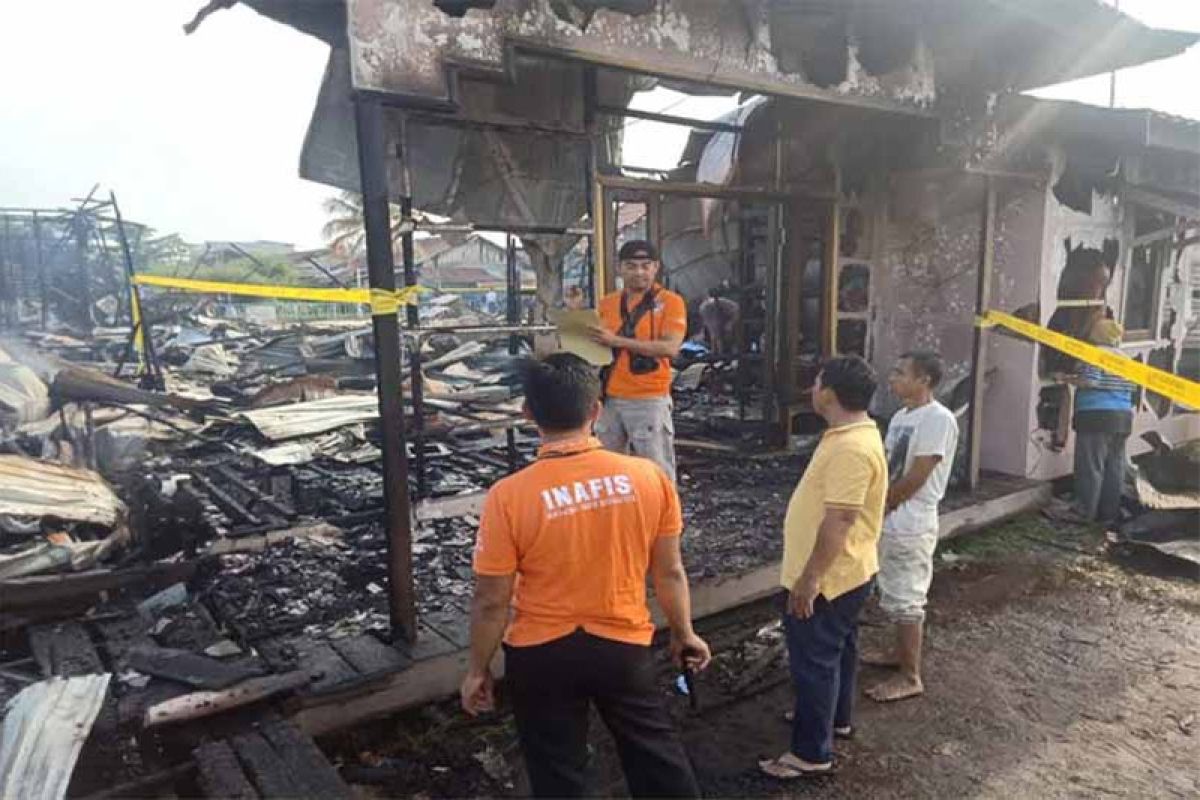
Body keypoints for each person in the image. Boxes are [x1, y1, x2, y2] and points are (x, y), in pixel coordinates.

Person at [461, 353, 711, 799]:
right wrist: (684, 632)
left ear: (528, 415)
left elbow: (491, 601)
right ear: (596, 410)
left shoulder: (508, 497)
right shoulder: (649, 478)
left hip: (540, 655)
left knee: (559, 772)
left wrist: (478, 669)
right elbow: (669, 570)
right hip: (623, 646)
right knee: (655, 756)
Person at [760, 356, 887, 780]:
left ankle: (811, 754)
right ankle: (836, 720)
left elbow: (841, 519)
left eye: (816, 382)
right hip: (850, 571)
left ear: (829, 393)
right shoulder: (851, 434)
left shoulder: (851, 447)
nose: (812, 388)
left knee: (813, 660)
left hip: (830, 579)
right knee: (838, 652)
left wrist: (810, 579)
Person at [864, 352, 958, 703]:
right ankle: (898, 655)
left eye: (902, 373)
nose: (894, 379)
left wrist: (885, 503)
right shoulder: (904, 416)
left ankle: (910, 675)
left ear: (925, 381)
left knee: (907, 596)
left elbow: (918, 474)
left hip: (911, 518)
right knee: (893, 588)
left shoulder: (938, 419)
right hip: (892, 514)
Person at [589, 240, 687, 481]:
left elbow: (670, 348)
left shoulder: (671, 302)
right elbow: (597, 344)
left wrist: (618, 342)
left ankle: (663, 517)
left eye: (646, 265)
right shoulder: (608, 303)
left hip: (649, 399)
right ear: (620, 268)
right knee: (607, 471)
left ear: (656, 268)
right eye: (631, 266)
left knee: (657, 470)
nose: (639, 272)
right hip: (610, 398)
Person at [1066, 317, 1135, 524]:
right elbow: (1132, 388)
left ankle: (1083, 512)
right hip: (1122, 418)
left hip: (1096, 416)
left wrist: (1067, 378)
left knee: (1091, 466)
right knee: (1115, 467)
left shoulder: (1094, 355)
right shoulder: (1127, 359)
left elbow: (1090, 381)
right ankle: (1108, 515)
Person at [698, 285, 740, 355]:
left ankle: (722, 351)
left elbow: (737, 309)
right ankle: (718, 352)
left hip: (729, 319)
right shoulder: (704, 308)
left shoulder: (723, 303)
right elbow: (712, 327)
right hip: (718, 321)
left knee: (720, 334)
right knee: (716, 335)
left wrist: (730, 323)